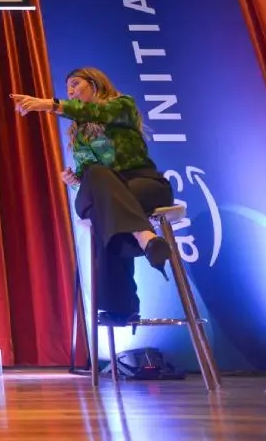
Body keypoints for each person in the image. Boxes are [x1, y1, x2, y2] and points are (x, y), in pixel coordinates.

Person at [10, 67, 174, 326]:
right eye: (68, 88)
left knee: (103, 211)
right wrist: (75, 180)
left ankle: (121, 308)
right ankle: (145, 238)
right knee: (96, 178)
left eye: (76, 84)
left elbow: (97, 112)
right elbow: (89, 175)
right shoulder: (79, 133)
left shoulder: (122, 105)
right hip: (103, 189)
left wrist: (50, 104)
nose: (71, 91)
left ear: (95, 84)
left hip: (143, 184)